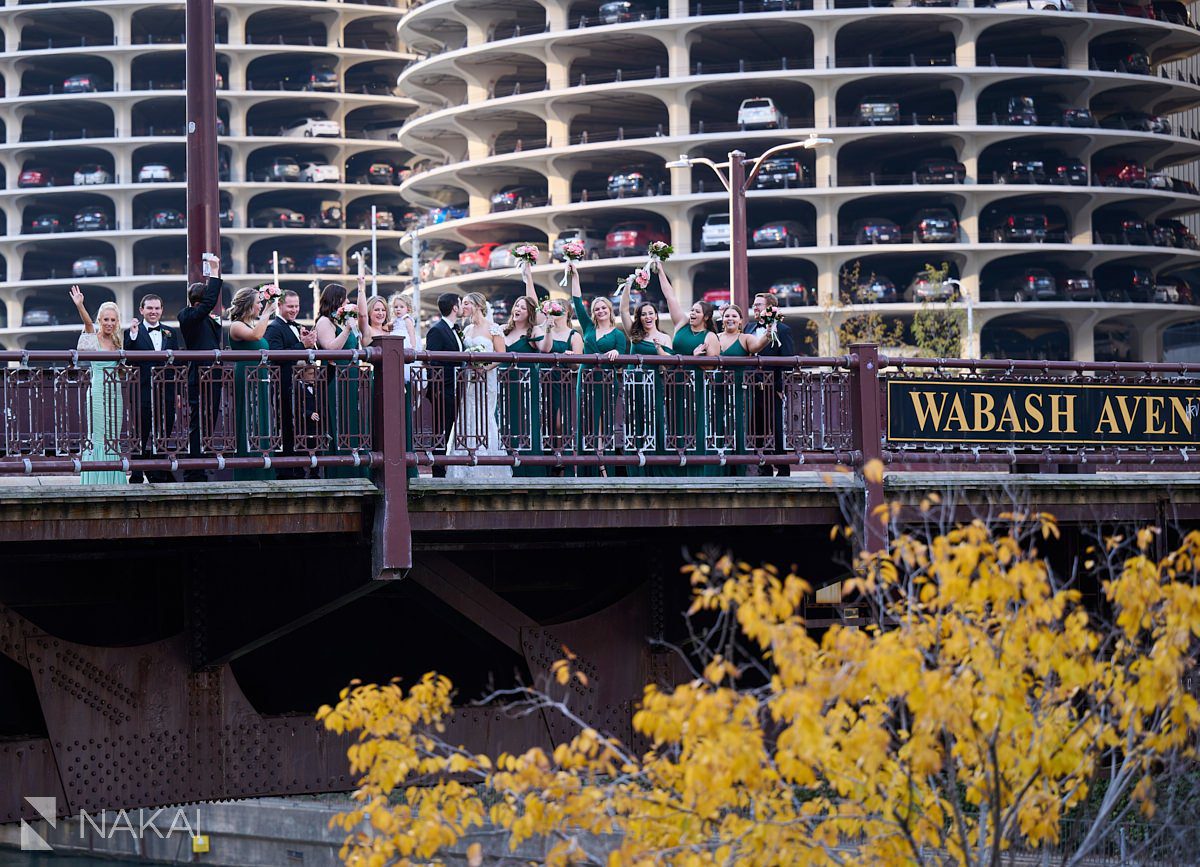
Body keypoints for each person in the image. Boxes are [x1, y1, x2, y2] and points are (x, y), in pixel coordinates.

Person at [445, 291, 510, 480]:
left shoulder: (494, 328)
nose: (463, 307)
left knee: (485, 415)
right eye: (462, 303)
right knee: (467, 415)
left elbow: (501, 355)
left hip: (486, 378)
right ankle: (463, 465)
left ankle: (488, 465)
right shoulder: (466, 330)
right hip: (469, 378)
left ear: (478, 305)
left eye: (466, 303)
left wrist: (485, 367)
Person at [568, 267, 627, 476]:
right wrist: (574, 276)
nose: (600, 311)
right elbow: (576, 302)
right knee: (586, 422)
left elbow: (622, 354)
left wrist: (614, 352)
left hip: (607, 380)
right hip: (586, 379)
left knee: (605, 424)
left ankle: (605, 467)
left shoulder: (618, 334)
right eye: (597, 309)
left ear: (610, 310)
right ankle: (586, 468)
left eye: (604, 308)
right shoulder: (589, 328)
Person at [70, 286, 127, 485]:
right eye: (106, 319)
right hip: (97, 390)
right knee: (98, 434)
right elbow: (87, 322)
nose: (109, 323)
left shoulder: (119, 340)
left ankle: (114, 478)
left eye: (113, 320)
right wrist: (80, 305)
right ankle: (96, 477)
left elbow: (123, 368)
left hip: (115, 389)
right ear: (100, 321)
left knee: (114, 434)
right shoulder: (93, 336)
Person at [177, 255, 225, 482]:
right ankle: (194, 465)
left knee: (210, 417)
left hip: (213, 373)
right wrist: (214, 273)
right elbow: (207, 304)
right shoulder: (188, 315)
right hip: (200, 373)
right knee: (199, 418)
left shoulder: (204, 318)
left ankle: (202, 461)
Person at [315, 279, 369, 478]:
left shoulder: (344, 319)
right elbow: (330, 348)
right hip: (336, 377)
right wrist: (346, 328)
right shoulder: (324, 321)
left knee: (354, 422)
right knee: (341, 422)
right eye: (344, 299)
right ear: (336, 300)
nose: (347, 302)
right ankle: (340, 470)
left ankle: (358, 468)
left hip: (353, 376)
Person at [125, 293, 181, 483]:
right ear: (141, 310)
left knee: (163, 432)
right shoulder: (132, 331)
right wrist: (132, 335)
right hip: (141, 391)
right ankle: (137, 473)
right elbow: (127, 358)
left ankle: (158, 471)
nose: (153, 312)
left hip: (166, 392)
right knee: (140, 432)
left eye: (157, 308)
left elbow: (176, 365)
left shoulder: (170, 332)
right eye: (149, 308)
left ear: (162, 310)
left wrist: (178, 393)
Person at [712, 304, 772, 475]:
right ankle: (718, 468)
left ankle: (738, 469)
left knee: (739, 426)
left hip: (740, 390)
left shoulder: (746, 337)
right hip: (717, 390)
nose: (730, 318)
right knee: (718, 427)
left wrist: (769, 331)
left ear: (740, 321)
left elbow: (758, 345)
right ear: (722, 320)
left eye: (734, 316)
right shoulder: (714, 337)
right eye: (726, 316)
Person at [265, 290, 318, 479]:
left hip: (299, 388)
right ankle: (286, 472)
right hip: (284, 388)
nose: (294, 310)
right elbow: (277, 356)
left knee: (300, 428)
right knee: (286, 427)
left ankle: (299, 468)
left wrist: (309, 343)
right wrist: (302, 345)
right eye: (290, 306)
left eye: (296, 306)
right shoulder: (274, 328)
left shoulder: (295, 325)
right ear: (279, 305)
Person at [228, 286, 278, 481]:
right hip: (247, 376)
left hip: (261, 376)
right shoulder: (237, 325)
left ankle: (264, 467)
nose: (261, 305)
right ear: (248, 305)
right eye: (258, 302)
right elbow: (256, 336)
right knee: (249, 420)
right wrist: (267, 314)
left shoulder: (253, 323)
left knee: (262, 420)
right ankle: (248, 471)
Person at [501, 269, 547, 477]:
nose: (517, 309)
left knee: (526, 423)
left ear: (529, 313)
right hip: (503, 385)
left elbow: (545, 348)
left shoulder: (533, 331)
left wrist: (528, 277)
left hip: (525, 385)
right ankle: (506, 463)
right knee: (504, 421)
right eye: (516, 306)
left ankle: (529, 469)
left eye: (522, 307)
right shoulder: (503, 330)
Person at [669, 299, 721, 475]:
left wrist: (695, 358)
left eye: (697, 311)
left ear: (706, 317)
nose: (692, 313)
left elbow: (712, 367)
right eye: (691, 310)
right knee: (676, 423)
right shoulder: (682, 326)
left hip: (697, 386)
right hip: (675, 383)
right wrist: (660, 272)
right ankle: (676, 466)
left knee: (695, 424)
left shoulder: (710, 336)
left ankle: (696, 467)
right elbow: (670, 298)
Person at [747, 292, 796, 476]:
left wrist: (780, 387)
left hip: (772, 387)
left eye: (759, 304)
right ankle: (763, 467)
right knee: (755, 427)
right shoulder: (749, 327)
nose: (755, 307)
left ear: (770, 308)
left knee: (775, 428)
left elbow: (788, 360)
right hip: (751, 388)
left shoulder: (783, 329)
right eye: (754, 304)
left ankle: (783, 467)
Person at [537, 295, 583, 471]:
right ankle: (545, 460)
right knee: (542, 421)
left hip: (561, 382)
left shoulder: (574, 335)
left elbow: (577, 364)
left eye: (558, 310)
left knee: (558, 423)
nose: (555, 313)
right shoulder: (544, 330)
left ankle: (559, 458)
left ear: (567, 312)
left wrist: (571, 358)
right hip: (542, 379)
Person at [423, 292, 464, 478]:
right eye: (461, 303)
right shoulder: (437, 330)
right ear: (455, 307)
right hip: (443, 390)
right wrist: (439, 390)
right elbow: (433, 363)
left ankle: (449, 467)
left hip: (456, 388)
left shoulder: (456, 329)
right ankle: (437, 471)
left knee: (452, 428)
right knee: (442, 430)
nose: (462, 307)